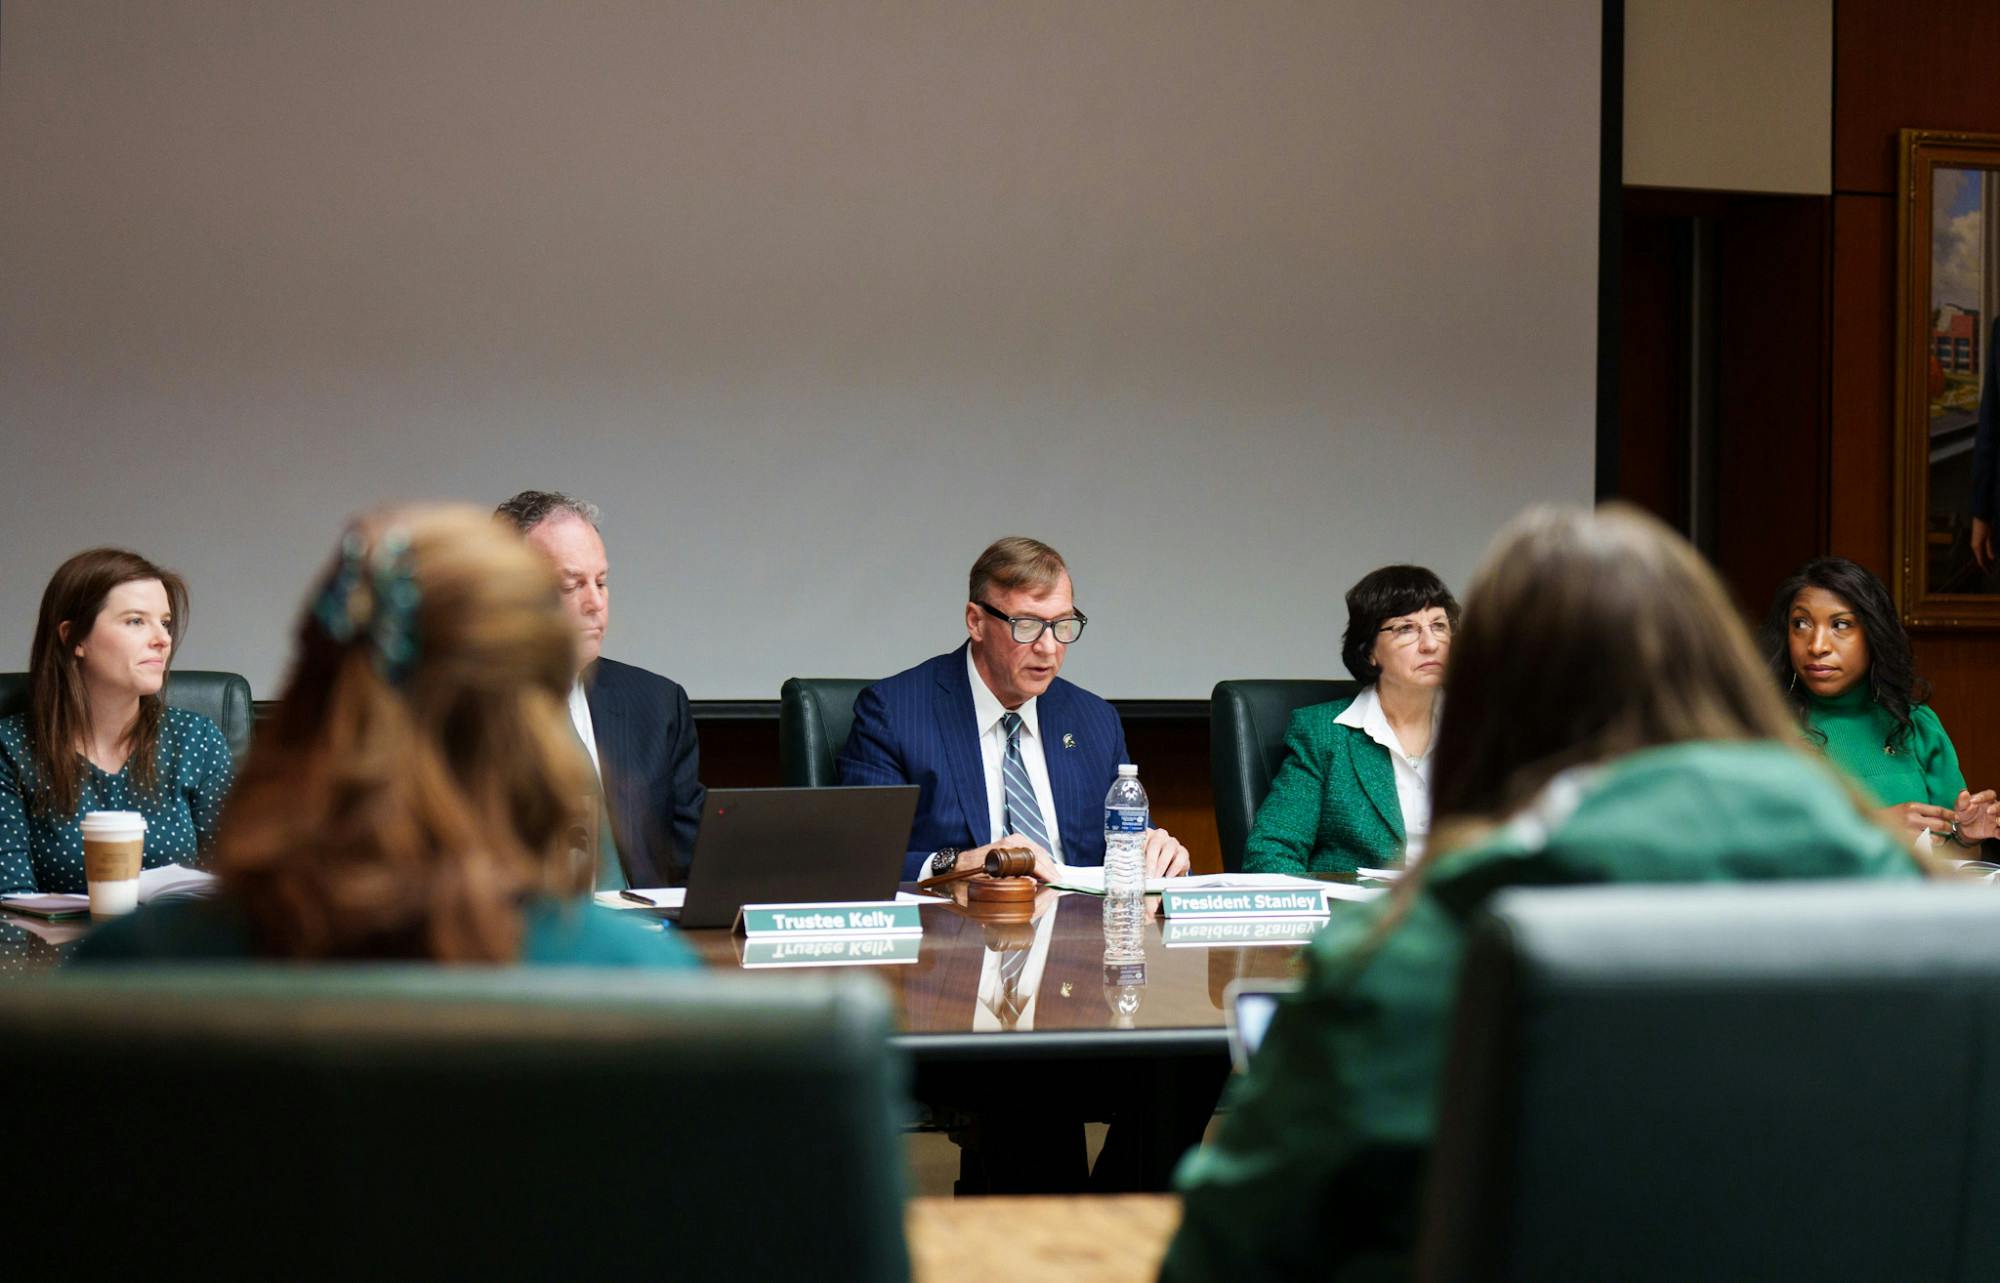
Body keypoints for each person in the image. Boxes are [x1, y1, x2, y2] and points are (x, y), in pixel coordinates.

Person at [1163, 505, 1924, 1282]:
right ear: (1717, 663)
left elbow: (1230, 1244)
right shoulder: (1898, 891)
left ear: (1496, 686)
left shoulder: (1409, 950)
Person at [78, 505, 692, 967]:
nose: (593, 602)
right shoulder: (634, 975)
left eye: (601, 582)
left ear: (305, 704)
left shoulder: (127, 963)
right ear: (528, 733)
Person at [838, 535, 1190, 882]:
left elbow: (1124, 835)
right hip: (958, 929)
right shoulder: (895, 714)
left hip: (1078, 930)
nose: (1049, 647)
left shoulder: (1093, 720)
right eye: (1027, 626)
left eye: (1062, 625)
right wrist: (965, 863)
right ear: (976, 621)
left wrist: (1157, 848)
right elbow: (864, 858)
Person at [496, 490, 704, 888]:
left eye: (602, 582)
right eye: (571, 585)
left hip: (647, 936)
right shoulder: (467, 707)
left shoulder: (655, 704)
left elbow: (694, 860)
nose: (595, 603)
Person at [0, 549, 233, 896]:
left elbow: (233, 886)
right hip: (54, 950)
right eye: (136, 621)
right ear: (74, 638)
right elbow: (10, 903)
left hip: (176, 947)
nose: (163, 639)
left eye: (165, 622)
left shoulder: (195, 739)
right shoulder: (11, 747)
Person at [1761, 555, 2000, 848]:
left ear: (1873, 633)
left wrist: (1964, 837)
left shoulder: (1914, 726)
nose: (1817, 646)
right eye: (1801, 623)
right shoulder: (1761, 728)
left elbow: (1953, 871)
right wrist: (1874, 823)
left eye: (1840, 624)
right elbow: (1750, 846)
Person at [1243, 565, 1456, 874]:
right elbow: (1270, 853)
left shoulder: (1482, 731)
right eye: (1406, 629)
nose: (1430, 644)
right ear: (1369, 650)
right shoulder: (1323, 735)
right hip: (1358, 917)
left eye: (1439, 625)